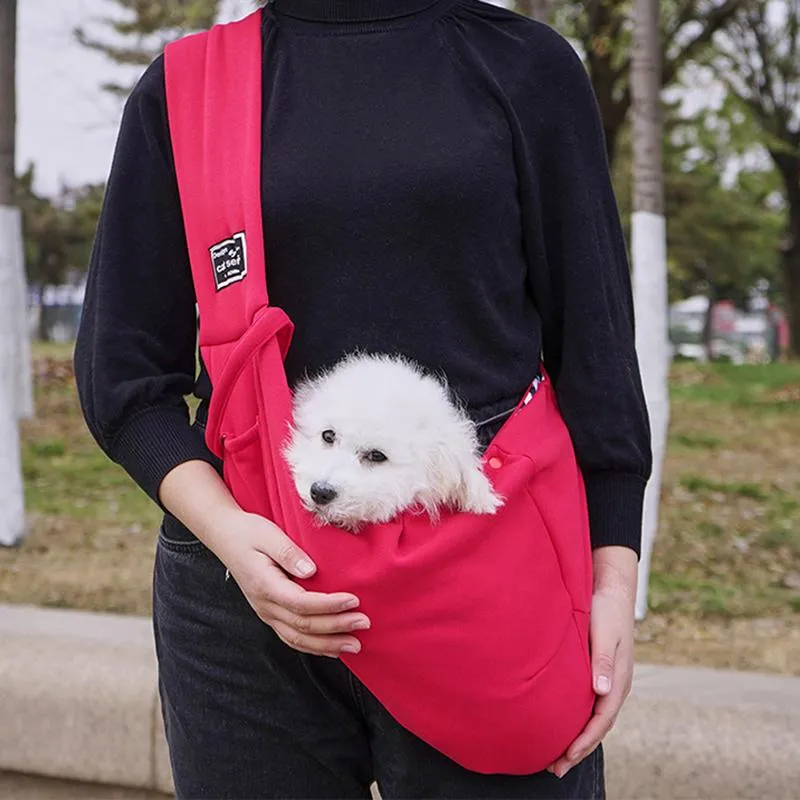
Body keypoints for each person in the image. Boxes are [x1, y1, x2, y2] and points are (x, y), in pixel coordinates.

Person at [74, 0, 652, 797]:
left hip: (487, 576)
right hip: (245, 595)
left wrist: (612, 586)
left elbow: (595, 348)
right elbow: (123, 373)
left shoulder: (525, 66)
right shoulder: (186, 88)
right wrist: (233, 540)